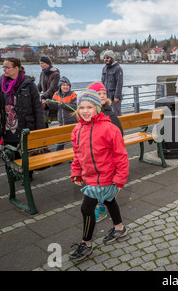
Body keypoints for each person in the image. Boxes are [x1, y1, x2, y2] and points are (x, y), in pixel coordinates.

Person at [69, 90, 129, 262]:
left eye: (89, 107)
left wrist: (119, 179)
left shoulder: (110, 129)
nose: (85, 111)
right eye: (81, 107)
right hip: (89, 177)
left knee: (87, 209)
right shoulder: (77, 130)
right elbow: (77, 154)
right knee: (110, 201)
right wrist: (76, 172)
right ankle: (119, 228)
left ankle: (86, 244)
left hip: (106, 177)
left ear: (97, 108)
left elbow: (121, 156)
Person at [0, 58, 46, 180]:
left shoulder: (28, 84)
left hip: (25, 124)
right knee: (10, 149)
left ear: (16, 68)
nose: (4, 69)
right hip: (7, 124)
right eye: (3, 67)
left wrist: (40, 128)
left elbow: (37, 107)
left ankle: (27, 173)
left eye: (7, 67)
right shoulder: (0, 83)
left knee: (26, 151)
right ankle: (16, 171)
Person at [88, 82, 124, 223]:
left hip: (107, 156)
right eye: (98, 94)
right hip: (95, 156)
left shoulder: (108, 114)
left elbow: (118, 135)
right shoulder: (90, 113)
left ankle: (101, 208)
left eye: (103, 93)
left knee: (103, 184)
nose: (102, 96)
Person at [44, 76, 78, 151]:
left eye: (67, 85)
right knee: (60, 140)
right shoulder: (56, 94)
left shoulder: (73, 94)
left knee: (74, 140)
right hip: (61, 122)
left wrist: (63, 104)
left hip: (72, 122)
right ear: (60, 86)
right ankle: (58, 154)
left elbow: (75, 106)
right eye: (63, 85)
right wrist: (49, 103)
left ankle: (75, 155)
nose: (65, 87)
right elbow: (55, 107)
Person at [37, 56, 60, 124]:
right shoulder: (42, 73)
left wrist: (43, 96)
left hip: (53, 100)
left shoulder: (56, 74)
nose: (41, 65)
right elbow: (39, 86)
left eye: (43, 63)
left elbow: (52, 88)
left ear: (48, 63)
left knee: (53, 120)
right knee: (45, 120)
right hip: (45, 101)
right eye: (40, 63)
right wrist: (33, 92)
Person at [101, 50, 124, 116]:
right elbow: (102, 82)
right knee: (106, 114)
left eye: (107, 58)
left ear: (112, 58)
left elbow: (119, 83)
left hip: (114, 97)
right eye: (104, 58)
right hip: (106, 97)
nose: (106, 59)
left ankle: (118, 126)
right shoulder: (104, 69)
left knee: (116, 114)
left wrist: (117, 96)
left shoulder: (118, 68)